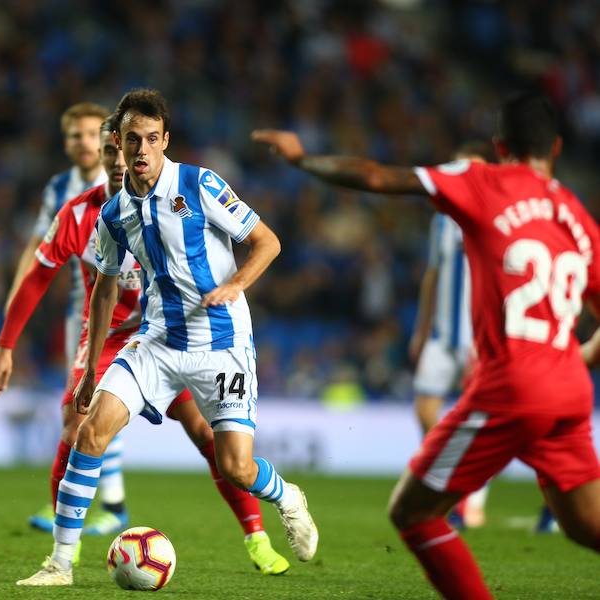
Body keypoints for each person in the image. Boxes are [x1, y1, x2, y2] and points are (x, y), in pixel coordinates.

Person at [253, 92, 600, 600]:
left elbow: (376, 177)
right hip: (570, 391)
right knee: (585, 527)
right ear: (557, 147)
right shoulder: (575, 216)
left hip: (512, 387)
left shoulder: (481, 179)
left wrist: (303, 159)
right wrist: (579, 357)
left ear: (500, 146)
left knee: (412, 514)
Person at [16, 88, 318, 587]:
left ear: (165, 141)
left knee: (237, 467)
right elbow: (104, 290)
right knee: (90, 432)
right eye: (131, 139)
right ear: (116, 143)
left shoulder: (200, 185)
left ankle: (287, 497)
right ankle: (59, 565)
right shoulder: (114, 214)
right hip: (157, 341)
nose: (141, 150)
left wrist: (234, 285)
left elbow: (268, 241)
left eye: (151, 139)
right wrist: (90, 370)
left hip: (222, 344)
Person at [4, 102, 127, 535]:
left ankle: (109, 501)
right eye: (76, 135)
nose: (86, 143)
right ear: (66, 141)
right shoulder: (60, 189)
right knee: (81, 407)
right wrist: (15, 301)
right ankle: (101, 504)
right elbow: (38, 249)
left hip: (131, 311)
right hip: (83, 307)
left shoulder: (122, 178)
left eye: (94, 134)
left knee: (99, 405)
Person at [409, 143, 490, 529]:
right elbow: (433, 274)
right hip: (442, 335)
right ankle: (449, 487)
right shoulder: (441, 220)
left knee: (476, 419)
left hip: (477, 338)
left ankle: (470, 495)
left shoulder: (494, 217)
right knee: (425, 411)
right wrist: (421, 330)